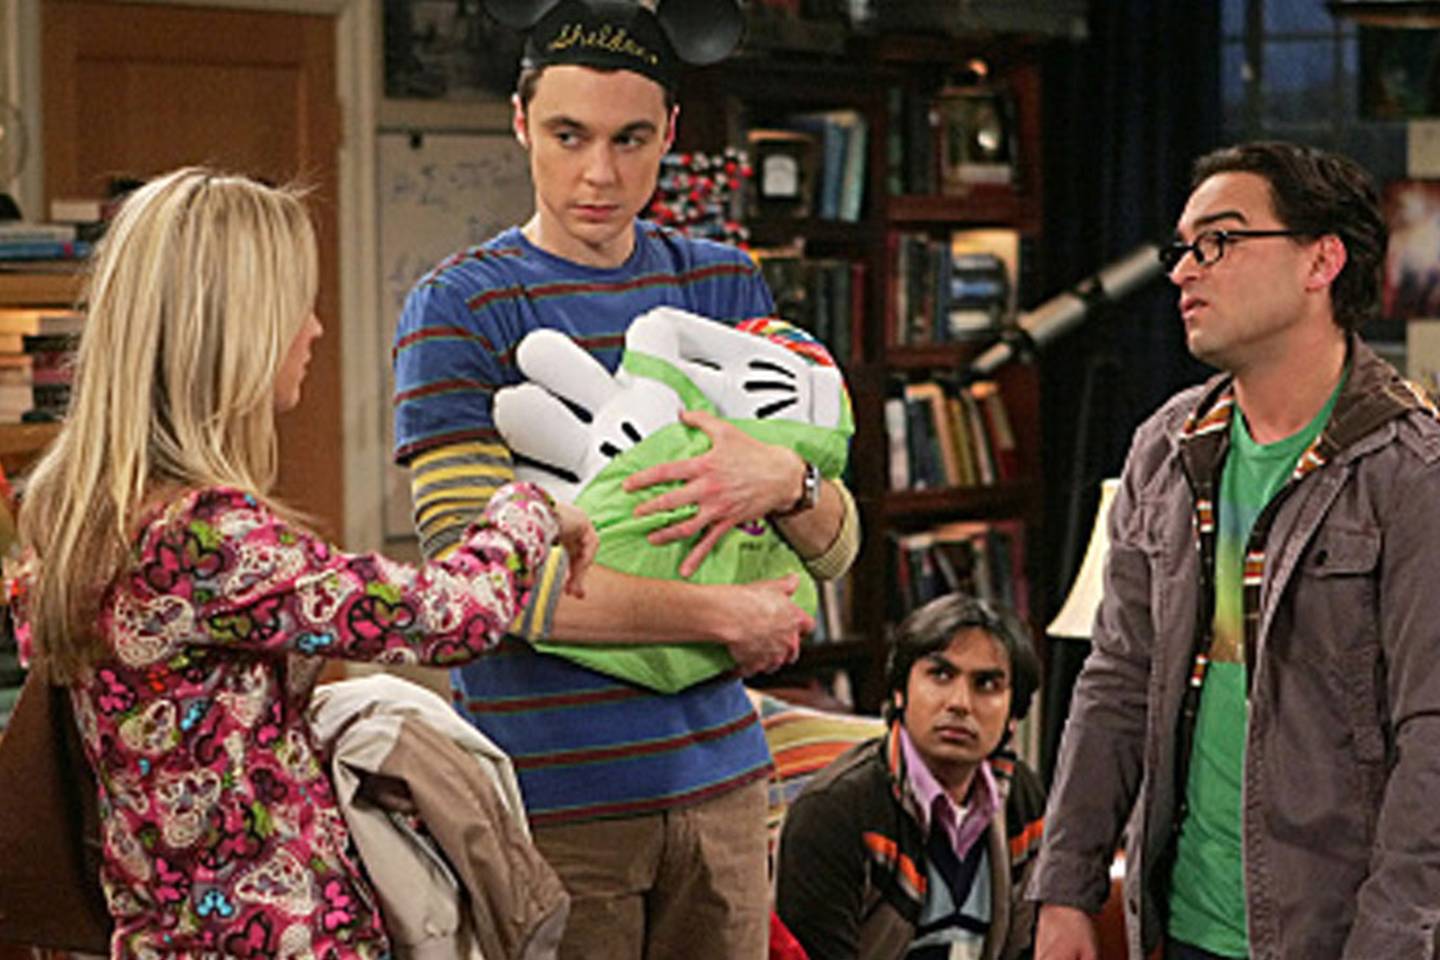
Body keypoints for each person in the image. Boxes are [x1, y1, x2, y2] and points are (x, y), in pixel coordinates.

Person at [11, 167, 597, 959]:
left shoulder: (74, 516)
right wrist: (529, 509)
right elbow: (455, 616)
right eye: (296, 305)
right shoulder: (204, 538)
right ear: (236, 329)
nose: (315, 330)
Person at [391, 0, 861, 956]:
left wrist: (784, 480)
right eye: (569, 135)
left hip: (725, 789)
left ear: (671, 132)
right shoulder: (460, 307)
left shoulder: (724, 284)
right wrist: (725, 616)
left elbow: (838, 545)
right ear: (521, 122)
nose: (599, 173)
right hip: (553, 801)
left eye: (630, 139)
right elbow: (479, 585)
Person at [1030, 141, 1440, 960]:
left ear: (1321, 260)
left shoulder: (1410, 470)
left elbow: (1432, 737)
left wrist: (1390, 942)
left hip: (1338, 933)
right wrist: (1066, 887)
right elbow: (1116, 682)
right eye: (1183, 248)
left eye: (1219, 241)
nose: (1185, 271)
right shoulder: (1168, 447)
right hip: (1184, 925)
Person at [775, 593, 1046, 960]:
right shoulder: (832, 812)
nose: (959, 703)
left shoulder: (1021, 796)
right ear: (900, 692)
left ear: (1013, 715)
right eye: (941, 675)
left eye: (986, 684)